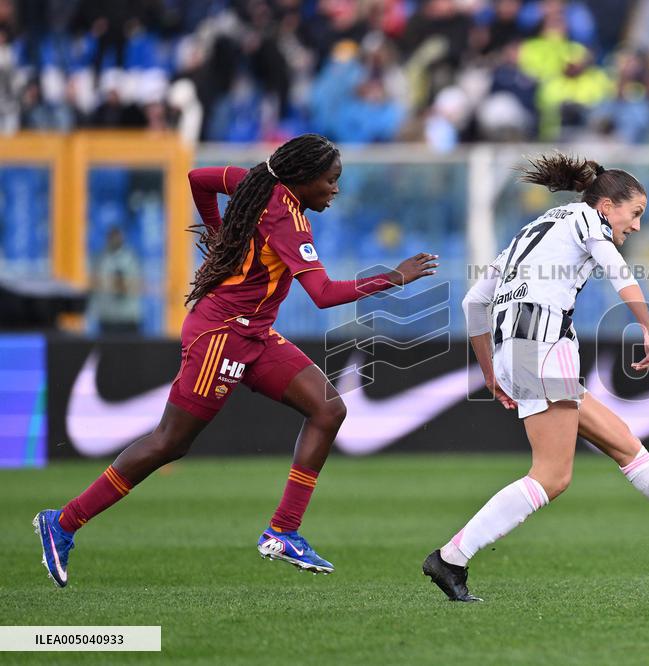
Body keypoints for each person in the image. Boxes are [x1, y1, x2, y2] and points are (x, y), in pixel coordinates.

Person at [33, 134, 437, 587]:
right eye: (330, 180)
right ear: (303, 180)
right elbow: (323, 295)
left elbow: (198, 179)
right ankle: (63, 522)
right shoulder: (289, 220)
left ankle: (283, 530)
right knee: (169, 442)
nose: (335, 190)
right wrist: (393, 277)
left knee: (328, 407)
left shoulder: (253, 182)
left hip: (254, 332)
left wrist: (217, 233)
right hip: (221, 336)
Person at [421, 154, 649, 602]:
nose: (636, 226)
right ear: (605, 208)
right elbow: (617, 271)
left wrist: (490, 372)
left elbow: (473, 303)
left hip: (520, 350)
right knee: (552, 475)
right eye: (634, 214)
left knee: (626, 447)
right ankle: (451, 557)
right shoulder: (585, 220)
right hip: (541, 347)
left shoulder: (534, 229)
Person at [91, 227, 143, 335]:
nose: (115, 240)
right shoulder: (101, 259)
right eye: (112, 237)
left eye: (117, 237)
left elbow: (133, 284)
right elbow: (97, 284)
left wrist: (115, 284)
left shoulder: (131, 259)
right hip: (108, 319)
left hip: (129, 318)